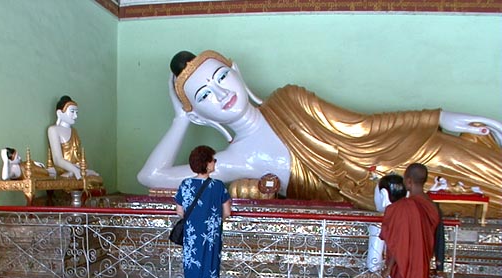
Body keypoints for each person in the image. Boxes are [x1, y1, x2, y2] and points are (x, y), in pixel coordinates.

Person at [138, 50, 502, 217]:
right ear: (200, 113)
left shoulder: (290, 100)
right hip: (373, 195)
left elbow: (363, 126)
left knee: (465, 155)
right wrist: (180, 118)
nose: (220, 94)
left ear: (237, 71)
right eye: (203, 97)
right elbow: (150, 176)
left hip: (388, 152)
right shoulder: (231, 161)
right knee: (468, 201)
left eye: (221, 77)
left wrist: (439, 116)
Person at [174, 145, 232, 278]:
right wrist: (212, 218)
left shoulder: (185, 185)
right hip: (212, 238)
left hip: (191, 238)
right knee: (210, 272)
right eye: (213, 160)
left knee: (192, 272)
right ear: (207, 164)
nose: (215, 163)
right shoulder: (218, 186)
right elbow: (227, 212)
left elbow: (180, 212)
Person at [47, 95, 101, 181]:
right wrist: (75, 170)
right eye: (72, 112)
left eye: (76, 113)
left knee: (97, 178)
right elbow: (57, 159)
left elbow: (79, 155)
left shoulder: (74, 131)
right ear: (60, 113)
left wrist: (81, 167)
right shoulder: (53, 130)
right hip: (63, 170)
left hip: (77, 168)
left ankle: (75, 175)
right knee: (75, 180)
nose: (75, 116)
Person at [366, 174, 407, 273]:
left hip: (390, 273)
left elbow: (373, 264)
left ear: (383, 195)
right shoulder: (410, 216)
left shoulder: (383, 222)